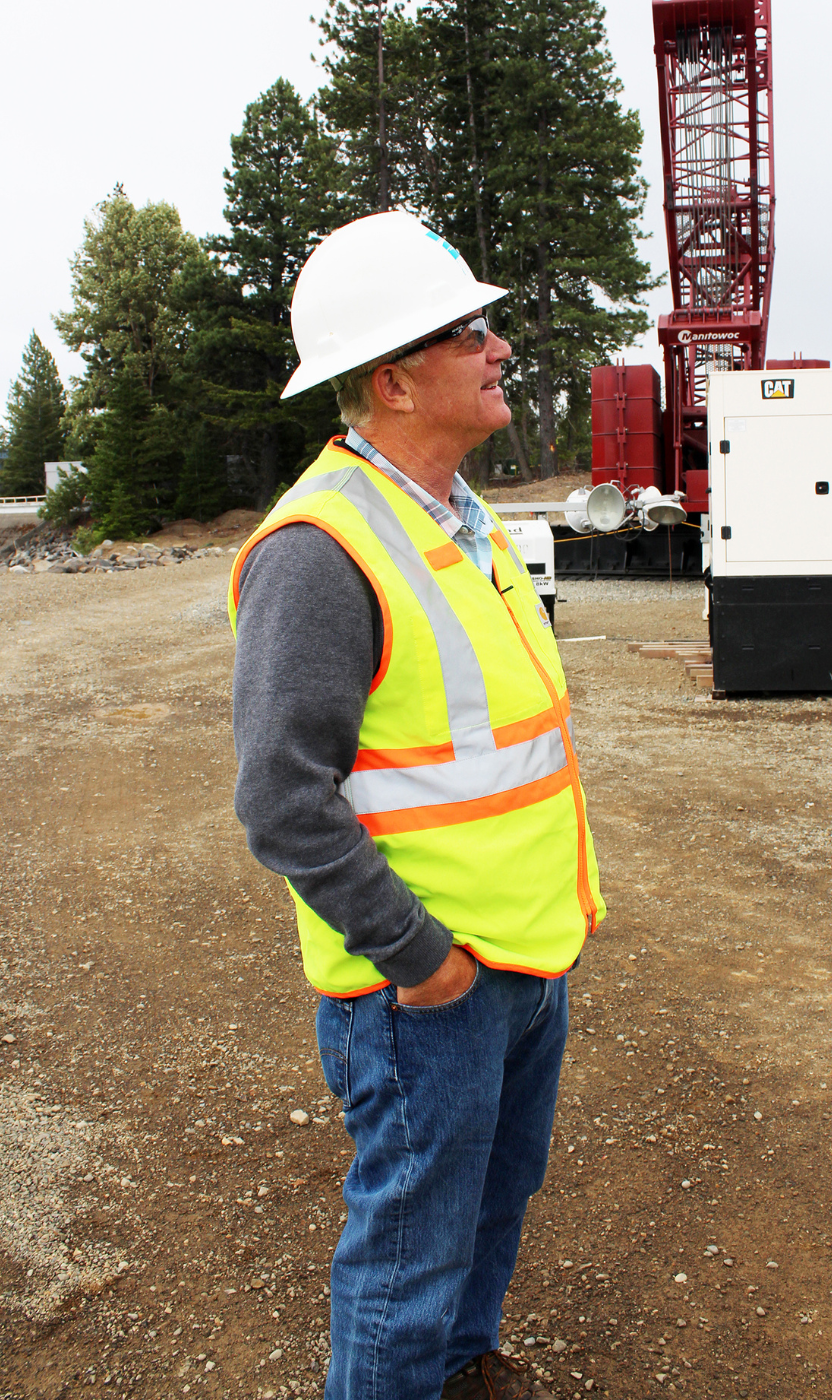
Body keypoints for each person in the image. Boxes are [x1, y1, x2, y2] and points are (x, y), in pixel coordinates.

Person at [228, 210, 605, 1400]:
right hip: (428, 987)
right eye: (470, 331)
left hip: (523, 958)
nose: (501, 347)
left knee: (496, 1199)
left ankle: (459, 1369)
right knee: (407, 1256)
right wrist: (424, 961)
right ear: (393, 378)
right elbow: (282, 800)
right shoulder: (322, 548)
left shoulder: (462, 512)